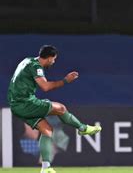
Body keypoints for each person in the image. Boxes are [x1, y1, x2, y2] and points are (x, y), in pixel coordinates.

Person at [7, 45, 102, 173]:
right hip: (24, 103)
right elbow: (45, 87)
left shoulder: (27, 60)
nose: (54, 62)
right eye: (53, 59)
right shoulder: (36, 66)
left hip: (17, 104)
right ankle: (83, 128)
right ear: (49, 57)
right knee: (61, 108)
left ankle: (46, 168)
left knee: (47, 130)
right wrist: (65, 81)